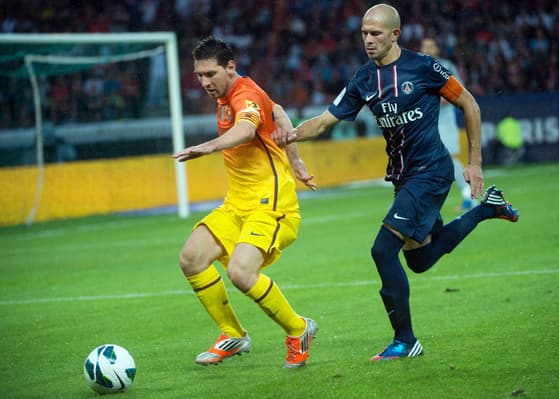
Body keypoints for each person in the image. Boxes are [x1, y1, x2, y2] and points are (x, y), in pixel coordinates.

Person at [272, 4, 520, 361]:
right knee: (419, 260)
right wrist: (292, 135)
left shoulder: (424, 68)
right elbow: (326, 120)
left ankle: (405, 341)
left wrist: (475, 162)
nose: (368, 40)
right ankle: (487, 209)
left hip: (431, 172)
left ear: (395, 35)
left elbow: (470, 104)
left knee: (382, 249)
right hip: (403, 178)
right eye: (363, 34)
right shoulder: (362, 79)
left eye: (375, 34)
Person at [173, 36, 318, 368]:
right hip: (238, 202)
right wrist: (296, 161)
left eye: (211, 74)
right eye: (199, 75)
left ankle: (299, 329)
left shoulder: (245, 94)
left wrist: (206, 147)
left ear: (230, 67)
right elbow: (279, 112)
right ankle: (232, 333)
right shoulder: (229, 93)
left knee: (240, 273)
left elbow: (246, 130)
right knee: (192, 258)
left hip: (270, 203)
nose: (205, 82)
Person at [420, 37, 474, 210]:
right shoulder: (418, 68)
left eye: (431, 46)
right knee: (429, 162)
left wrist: (429, 103)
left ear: (437, 50)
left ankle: (469, 193)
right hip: (426, 124)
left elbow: (456, 92)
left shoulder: (446, 66)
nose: (428, 50)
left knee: (448, 159)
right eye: (425, 47)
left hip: (444, 122)